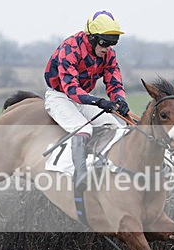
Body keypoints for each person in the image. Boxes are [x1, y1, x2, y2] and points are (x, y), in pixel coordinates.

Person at [43, 10, 130, 192]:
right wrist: (99, 101)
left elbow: (114, 82)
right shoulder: (70, 48)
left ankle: (99, 164)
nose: (108, 47)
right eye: (105, 42)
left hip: (82, 99)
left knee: (114, 126)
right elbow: (71, 89)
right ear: (91, 37)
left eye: (113, 42)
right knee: (84, 129)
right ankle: (80, 175)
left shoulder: (109, 55)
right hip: (60, 96)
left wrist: (120, 100)